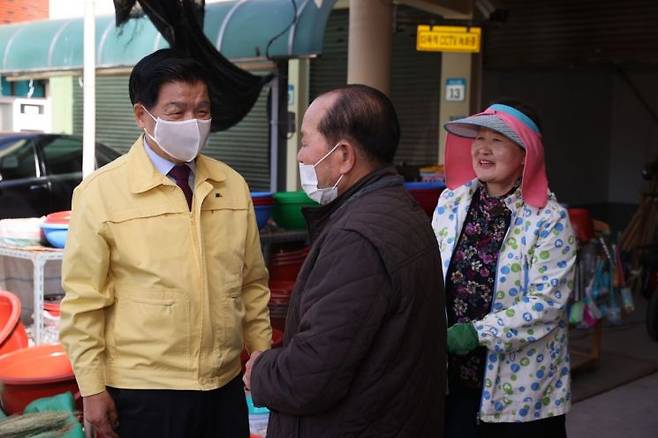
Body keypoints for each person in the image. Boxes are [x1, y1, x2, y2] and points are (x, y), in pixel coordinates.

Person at [59, 49, 271, 438]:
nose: (192, 122)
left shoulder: (232, 186)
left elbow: (252, 283)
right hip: (144, 390)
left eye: (202, 110)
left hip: (222, 385)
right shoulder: (101, 192)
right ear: (143, 116)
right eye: (177, 112)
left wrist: (261, 355)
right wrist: (91, 388)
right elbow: (84, 301)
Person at [243, 84, 446, 437]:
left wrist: (260, 371)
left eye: (306, 143)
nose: (300, 156)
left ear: (344, 156)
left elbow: (311, 374)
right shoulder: (400, 210)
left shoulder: (356, 238)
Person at [432, 101, 576, 437]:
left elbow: (546, 304)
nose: (483, 147)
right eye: (479, 138)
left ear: (526, 154)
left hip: (521, 395)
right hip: (453, 382)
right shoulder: (451, 202)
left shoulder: (549, 220)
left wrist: (476, 333)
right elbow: (428, 271)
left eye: (497, 140)